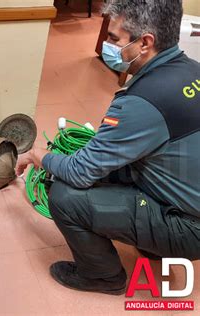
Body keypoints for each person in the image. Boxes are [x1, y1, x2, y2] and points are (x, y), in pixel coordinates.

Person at [16, 0, 199, 295]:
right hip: (189, 200)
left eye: (114, 39)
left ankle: (102, 276)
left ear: (145, 43)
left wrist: (40, 155)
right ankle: (154, 245)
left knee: (64, 194)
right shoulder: (192, 70)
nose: (108, 45)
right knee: (113, 163)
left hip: (190, 229)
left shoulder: (143, 102)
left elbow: (79, 172)